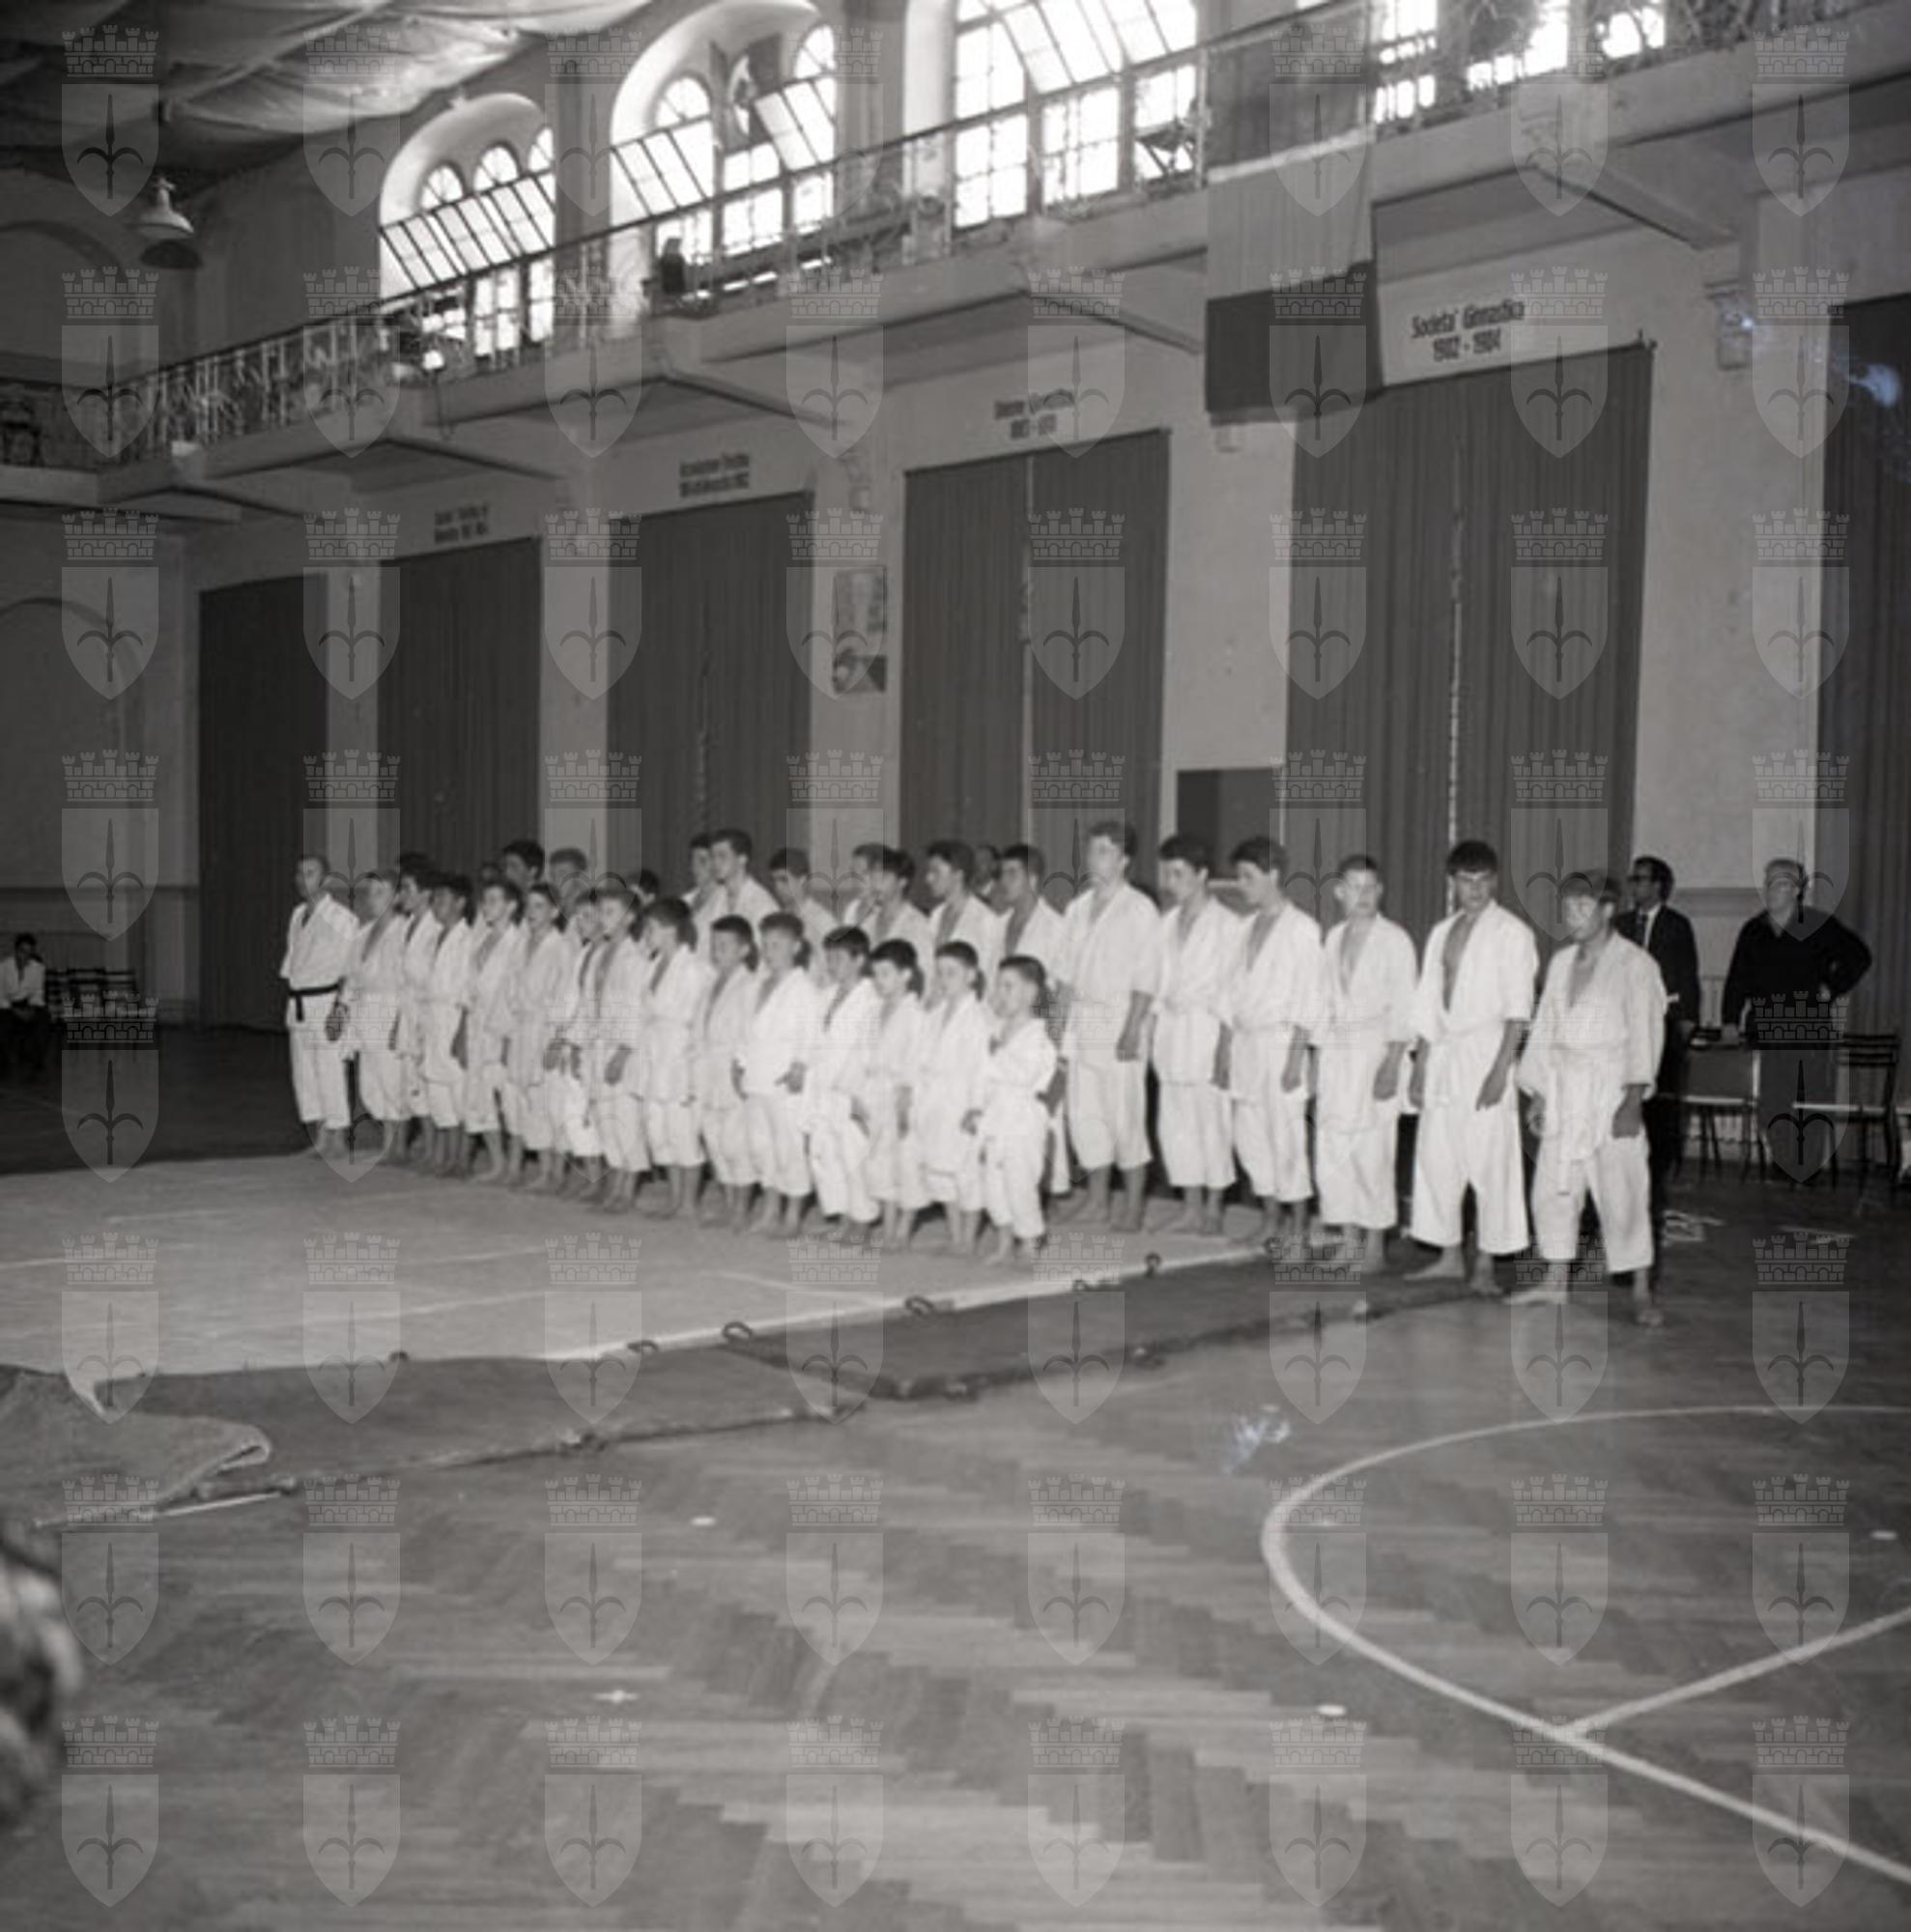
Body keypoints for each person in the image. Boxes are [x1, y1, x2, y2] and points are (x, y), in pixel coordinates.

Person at [1516, 872, 1666, 1322]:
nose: (1573, 918)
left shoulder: (1635, 965)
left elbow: (1645, 1035)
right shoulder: (1561, 962)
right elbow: (1545, 1029)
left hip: (1611, 1089)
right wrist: (1539, 1093)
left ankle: (1641, 1290)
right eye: (1567, 910)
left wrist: (1633, 1101)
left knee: (1623, 1192)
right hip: (1564, 1087)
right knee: (1553, 1189)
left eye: (1583, 908)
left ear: (1607, 910)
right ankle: (1554, 1281)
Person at [1407, 840, 1538, 1291]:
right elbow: (1427, 1004)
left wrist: (1501, 1071)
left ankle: (1484, 1261)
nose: (1476, 889)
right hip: (1444, 1054)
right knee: (1437, 1157)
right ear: (1453, 883)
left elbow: (1519, 1012)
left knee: (1490, 1159)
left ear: (1495, 881)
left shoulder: (1512, 933)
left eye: (1484, 880)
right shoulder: (1441, 932)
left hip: (1486, 1051)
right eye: (1467, 881)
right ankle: (1448, 1256)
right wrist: (1420, 1067)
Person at [1721, 856, 1871, 1173]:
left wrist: (1832, 987)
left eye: (1778, 883)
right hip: (1766, 1028)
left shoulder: (1817, 924)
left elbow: (1859, 955)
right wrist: (1730, 1021)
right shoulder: (1754, 929)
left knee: (1807, 1097)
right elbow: (1737, 979)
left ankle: (1806, 1166)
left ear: (1796, 890)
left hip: (1806, 1028)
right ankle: (1782, 1161)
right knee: (1773, 1099)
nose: (1769, 889)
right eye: (1767, 883)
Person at [1222, 836, 1326, 1255]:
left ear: (1273, 875)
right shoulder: (1243, 928)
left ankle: (1298, 1231)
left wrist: (1296, 1058)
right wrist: (1224, 1049)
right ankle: (1270, 1220)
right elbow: (1229, 995)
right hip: (1247, 1042)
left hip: (1282, 1042)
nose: (1241, 885)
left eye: (1248, 877)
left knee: (1287, 1138)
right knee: (1250, 1137)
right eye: (1239, 877)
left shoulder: (1302, 929)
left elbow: (1310, 997)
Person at [1055, 821, 1160, 1233]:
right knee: (1086, 1115)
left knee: (1125, 1115)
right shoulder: (1077, 908)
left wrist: (1133, 1029)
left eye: (1104, 851)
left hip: (1120, 1017)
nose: (1093, 859)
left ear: (1124, 859)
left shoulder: (1139, 908)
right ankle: (1097, 1200)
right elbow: (1064, 976)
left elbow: (1147, 976)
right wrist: (1055, 1029)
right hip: (1082, 1021)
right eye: (1091, 850)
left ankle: (1132, 1205)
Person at [1315, 855, 1418, 1273]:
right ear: (1339, 891)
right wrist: (1316, 1060)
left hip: (1376, 1051)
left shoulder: (1395, 940)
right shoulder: (1333, 938)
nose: (1363, 895)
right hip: (1337, 1053)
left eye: (1370, 887)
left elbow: (1405, 1007)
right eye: (1354, 887)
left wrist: (1392, 1064)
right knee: (1335, 1150)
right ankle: (1348, 1241)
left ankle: (1374, 1247)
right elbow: (1323, 1003)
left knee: (1373, 1152)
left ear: (1380, 892)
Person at [1152, 836, 1239, 1236]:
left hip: (1206, 1029)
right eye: (1167, 874)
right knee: (1176, 1125)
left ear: (1202, 874)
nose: (1171, 883)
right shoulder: (1166, 923)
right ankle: (1190, 1206)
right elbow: (1157, 981)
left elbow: (1230, 991)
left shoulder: (1227, 925)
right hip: (1172, 1031)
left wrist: (1224, 1048)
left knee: (1211, 1122)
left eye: (1179, 874)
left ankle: (1214, 1207)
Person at [1616, 855, 1701, 1254]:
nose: (1634, 885)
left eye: (1641, 879)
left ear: (1658, 886)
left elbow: (1687, 974)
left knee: (1662, 1107)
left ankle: (1658, 1171)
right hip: (1622, 1027)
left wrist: (1686, 1021)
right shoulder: (1620, 925)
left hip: (1664, 1025)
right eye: (1632, 879)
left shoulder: (1677, 925)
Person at [734, 911, 821, 1236]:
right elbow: (746, 1030)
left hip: (784, 1078)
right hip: (756, 1074)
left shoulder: (804, 988)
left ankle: (793, 1215)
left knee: (789, 1147)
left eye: (777, 945)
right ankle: (770, 1209)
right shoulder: (756, 985)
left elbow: (811, 1034)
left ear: (796, 947)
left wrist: (800, 1066)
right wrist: (738, 1062)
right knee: (761, 1146)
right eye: (766, 944)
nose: (769, 952)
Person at [975, 956, 1060, 1264]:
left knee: (1020, 1181)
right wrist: (978, 1108)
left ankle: (1030, 1240)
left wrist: (998, 1053)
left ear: (1031, 992)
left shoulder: (1038, 1035)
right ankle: (1004, 1240)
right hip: (996, 1115)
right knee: (993, 1183)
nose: (1000, 993)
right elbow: (983, 1075)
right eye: (998, 986)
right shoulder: (997, 1029)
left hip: (1023, 1116)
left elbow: (1024, 1075)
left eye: (1008, 986)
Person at [908, 942, 990, 1254]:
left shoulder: (979, 1017)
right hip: (933, 1100)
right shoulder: (934, 1015)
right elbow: (920, 1060)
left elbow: (982, 1068)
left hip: (961, 1101)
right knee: (939, 1170)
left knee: (966, 1171)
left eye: (952, 972)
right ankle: (955, 1234)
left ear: (971, 975)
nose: (944, 980)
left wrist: (976, 1107)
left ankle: (968, 1238)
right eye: (940, 973)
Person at [635, 896, 711, 1219]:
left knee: (683, 1132)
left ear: (670, 929)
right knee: (659, 1130)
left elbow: (698, 1023)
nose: (646, 935)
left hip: (681, 1058)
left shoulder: (694, 969)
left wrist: (691, 1069)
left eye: (651, 928)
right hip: (655, 1055)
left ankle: (689, 1202)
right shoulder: (652, 966)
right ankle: (675, 1197)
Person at [806, 926, 882, 1243]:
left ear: (859, 960)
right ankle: (842, 1218)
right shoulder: (824, 995)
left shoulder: (871, 999)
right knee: (827, 1155)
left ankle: (862, 1221)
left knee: (854, 1156)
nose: (831, 964)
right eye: (828, 958)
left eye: (838, 958)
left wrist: (857, 1094)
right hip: (823, 1087)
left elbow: (870, 1052)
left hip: (853, 1090)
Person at [280, 854, 357, 1159]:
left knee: (330, 1071)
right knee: (305, 1074)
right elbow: (293, 961)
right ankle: (320, 1136)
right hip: (299, 1001)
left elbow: (352, 967)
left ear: (325, 879)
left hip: (326, 1002)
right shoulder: (297, 914)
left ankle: (338, 1136)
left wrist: (342, 1007)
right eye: (299, 873)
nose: (303, 879)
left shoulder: (342, 918)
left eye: (310, 873)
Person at [339, 869, 409, 1160]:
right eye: (369, 892)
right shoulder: (362, 933)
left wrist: (400, 1021)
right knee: (370, 1081)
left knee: (393, 1078)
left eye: (380, 892)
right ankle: (388, 1141)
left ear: (397, 896)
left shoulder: (403, 931)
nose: (372, 899)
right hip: (365, 1009)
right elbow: (351, 977)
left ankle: (398, 1144)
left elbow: (406, 982)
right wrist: (343, 1008)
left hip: (390, 1007)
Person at [507, 882, 572, 1190]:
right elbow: (511, 990)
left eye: (539, 906)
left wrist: (557, 1040)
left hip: (547, 1029)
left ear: (554, 912)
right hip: (523, 1028)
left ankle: (556, 1172)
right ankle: (543, 1168)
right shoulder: (520, 944)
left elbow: (566, 997)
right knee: (527, 1099)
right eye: (528, 906)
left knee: (550, 1101)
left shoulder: (561, 947)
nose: (531, 912)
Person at [697, 915, 759, 1231]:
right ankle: (728, 1200)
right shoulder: (710, 982)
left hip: (732, 1068)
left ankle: (741, 1207)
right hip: (706, 1067)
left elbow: (750, 1033)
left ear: (744, 950)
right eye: (714, 944)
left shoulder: (750, 985)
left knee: (736, 1141)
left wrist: (740, 1067)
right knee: (714, 1139)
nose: (716, 951)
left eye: (724, 945)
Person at [864, 939, 927, 1252]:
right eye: (875, 974)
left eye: (886, 974)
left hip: (902, 1094)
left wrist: (904, 1100)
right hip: (875, 1091)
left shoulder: (915, 1014)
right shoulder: (875, 1010)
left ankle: (903, 1228)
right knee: (880, 1160)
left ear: (906, 975)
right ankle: (888, 1225)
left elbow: (916, 1060)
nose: (879, 981)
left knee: (906, 1162)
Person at [460, 878, 525, 1183]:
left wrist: (509, 1038)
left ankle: (514, 1165)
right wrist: (463, 1031)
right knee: (480, 1094)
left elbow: (516, 993)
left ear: (511, 906)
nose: (487, 906)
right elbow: (468, 987)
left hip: (505, 1027)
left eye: (494, 900)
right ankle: (497, 1162)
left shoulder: (519, 942)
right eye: (484, 900)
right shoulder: (480, 939)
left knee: (510, 1099)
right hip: (478, 1023)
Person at [590, 882, 647, 1212]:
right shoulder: (601, 953)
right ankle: (614, 1179)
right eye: (600, 911)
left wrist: (623, 1052)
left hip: (621, 1046)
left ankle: (628, 1186)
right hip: (599, 1041)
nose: (603, 918)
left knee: (625, 1114)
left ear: (629, 917)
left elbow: (634, 1008)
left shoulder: (635, 958)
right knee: (605, 1115)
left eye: (610, 912)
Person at [550, 892, 607, 1200]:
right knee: (574, 1110)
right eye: (578, 916)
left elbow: (601, 1007)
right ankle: (590, 1174)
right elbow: (571, 1001)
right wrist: (562, 1038)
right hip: (577, 1039)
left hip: (597, 1041)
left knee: (595, 1111)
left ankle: (601, 1179)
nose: (580, 923)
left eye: (588, 916)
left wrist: (580, 1042)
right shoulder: (583, 954)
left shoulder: (609, 954)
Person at [421, 873, 475, 1174]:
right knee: (439, 1092)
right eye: (434, 899)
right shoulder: (434, 937)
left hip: (454, 1018)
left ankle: (462, 1159)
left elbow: (468, 992)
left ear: (460, 902)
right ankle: (448, 1156)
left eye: (442, 898)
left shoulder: (468, 940)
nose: (436, 904)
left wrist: (463, 1033)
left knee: (460, 1091)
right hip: (433, 1018)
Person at [395, 858, 440, 1165]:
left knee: (429, 1081)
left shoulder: (435, 928)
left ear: (426, 893)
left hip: (427, 1012)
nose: (402, 895)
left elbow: (429, 977)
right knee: (411, 1081)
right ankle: (420, 1143)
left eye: (408, 889)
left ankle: (434, 1147)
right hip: (407, 1010)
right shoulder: (407, 925)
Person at [922, 840, 1002, 1001]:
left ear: (958, 874)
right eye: (929, 872)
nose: (928, 878)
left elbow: (990, 978)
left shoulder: (986, 920)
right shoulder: (935, 916)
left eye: (936, 872)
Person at [696, 828, 779, 957]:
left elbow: (762, 954)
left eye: (722, 856)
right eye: (713, 856)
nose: (715, 863)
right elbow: (698, 937)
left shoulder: (762, 904)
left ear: (742, 859)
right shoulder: (717, 896)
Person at [769, 847, 835, 980]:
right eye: (774, 881)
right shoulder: (778, 919)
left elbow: (830, 974)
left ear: (802, 880)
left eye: (784, 880)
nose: (778, 887)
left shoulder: (822, 921)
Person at [861, 847, 936, 961]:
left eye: (884, 877)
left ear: (902, 882)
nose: (876, 884)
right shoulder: (868, 921)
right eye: (873, 877)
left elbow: (925, 968)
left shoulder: (917, 924)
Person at [0, 933, 48, 1081]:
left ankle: (35, 1063)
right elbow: (1, 995)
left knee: (43, 1018)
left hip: (27, 1004)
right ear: (16, 951)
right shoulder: (3, 967)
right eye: (22, 951)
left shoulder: (38, 968)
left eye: (29, 952)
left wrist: (31, 1010)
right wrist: (15, 1011)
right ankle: (4, 1064)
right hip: (6, 1005)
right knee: (3, 1022)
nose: (25, 956)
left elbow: (38, 994)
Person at [548, 846, 590, 924]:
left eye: (562, 874)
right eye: (553, 876)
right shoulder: (554, 909)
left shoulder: (594, 910)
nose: (555, 881)